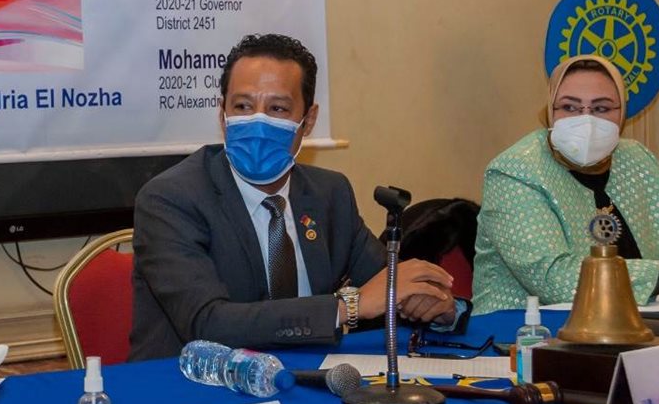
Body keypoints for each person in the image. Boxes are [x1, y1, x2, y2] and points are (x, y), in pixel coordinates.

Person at [129, 33, 462, 361]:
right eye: (243, 106)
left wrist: (433, 306)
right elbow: (208, 324)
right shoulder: (171, 199)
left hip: (303, 377)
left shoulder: (330, 194)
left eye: (277, 108)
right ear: (222, 114)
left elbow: (385, 285)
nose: (258, 122)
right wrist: (349, 306)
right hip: (191, 384)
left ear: (309, 120)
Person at [473, 55, 659, 314]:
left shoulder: (635, 159)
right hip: (520, 332)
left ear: (622, 113)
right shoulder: (515, 170)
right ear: (550, 110)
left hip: (629, 324)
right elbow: (554, 278)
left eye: (601, 108)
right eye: (569, 107)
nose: (586, 120)